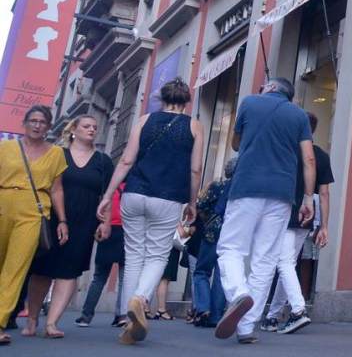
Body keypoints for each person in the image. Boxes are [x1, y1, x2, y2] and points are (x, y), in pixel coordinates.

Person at [97, 77, 205, 345]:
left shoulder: (144, 120)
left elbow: (126, 160)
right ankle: (140, 299)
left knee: (133, 254)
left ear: (163, 98)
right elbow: (195, 169)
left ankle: (125, 317)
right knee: (157, 254)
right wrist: (192, 203)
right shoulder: (194, 126)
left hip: (134, 194)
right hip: (167, 199)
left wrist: (108, 195)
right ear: (186, 101)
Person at [215, 77, 315, 344]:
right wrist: (308, 198)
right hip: (282, 194)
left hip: (247, 187)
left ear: (270, 88)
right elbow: (308, 158)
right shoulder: (299, 116)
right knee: (266, 259)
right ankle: (247, 328)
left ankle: (237, 292)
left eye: (263, 86)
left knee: (231, 248)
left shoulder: (249, 103)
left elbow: (236, 143)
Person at [24, 114, 113, 338]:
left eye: (94, 127)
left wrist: (105, 223)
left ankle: (52, 323)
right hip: (53, 218)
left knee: (69, 271)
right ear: (74, 130)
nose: (92, 130)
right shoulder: (57, 154)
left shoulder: (103, 161)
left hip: (85, 222)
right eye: (86, 126)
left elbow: (107, 195)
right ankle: (33, 319)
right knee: (42, 270)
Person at [0, 106, 70, 346]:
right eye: (33, 120)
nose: (37, 125)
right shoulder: (6, 147)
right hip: (2, 203)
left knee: (16, 267)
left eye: (42, 122)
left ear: (49, 127)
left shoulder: (56, 153)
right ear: (25, 122)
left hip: (34, 210)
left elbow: (57, 188)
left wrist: (62, 220)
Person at [261, 111, 334, 335]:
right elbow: (324, 194)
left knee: (283, 263)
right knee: (288, 264)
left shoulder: (287, 151)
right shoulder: (321, 155)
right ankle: (273, 316)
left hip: (284, 209)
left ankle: (298, 309)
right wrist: (324, 226)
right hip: (307, 215)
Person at [192, 158, 236, 328]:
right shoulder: (241, 190)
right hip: (231, 235)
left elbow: (201, 205)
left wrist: (207, 220)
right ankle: (216, 315)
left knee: (202, 271)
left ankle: (203, 308)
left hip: (212, 234)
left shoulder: (217, 187)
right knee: (221, 274)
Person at [77, 183, 127, 328]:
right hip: (128, 232)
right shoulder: (133, 189)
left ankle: (86, 316)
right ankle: (121, 315)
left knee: (99, 278)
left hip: (109, 230)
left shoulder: (111, 188)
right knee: (125, 279)